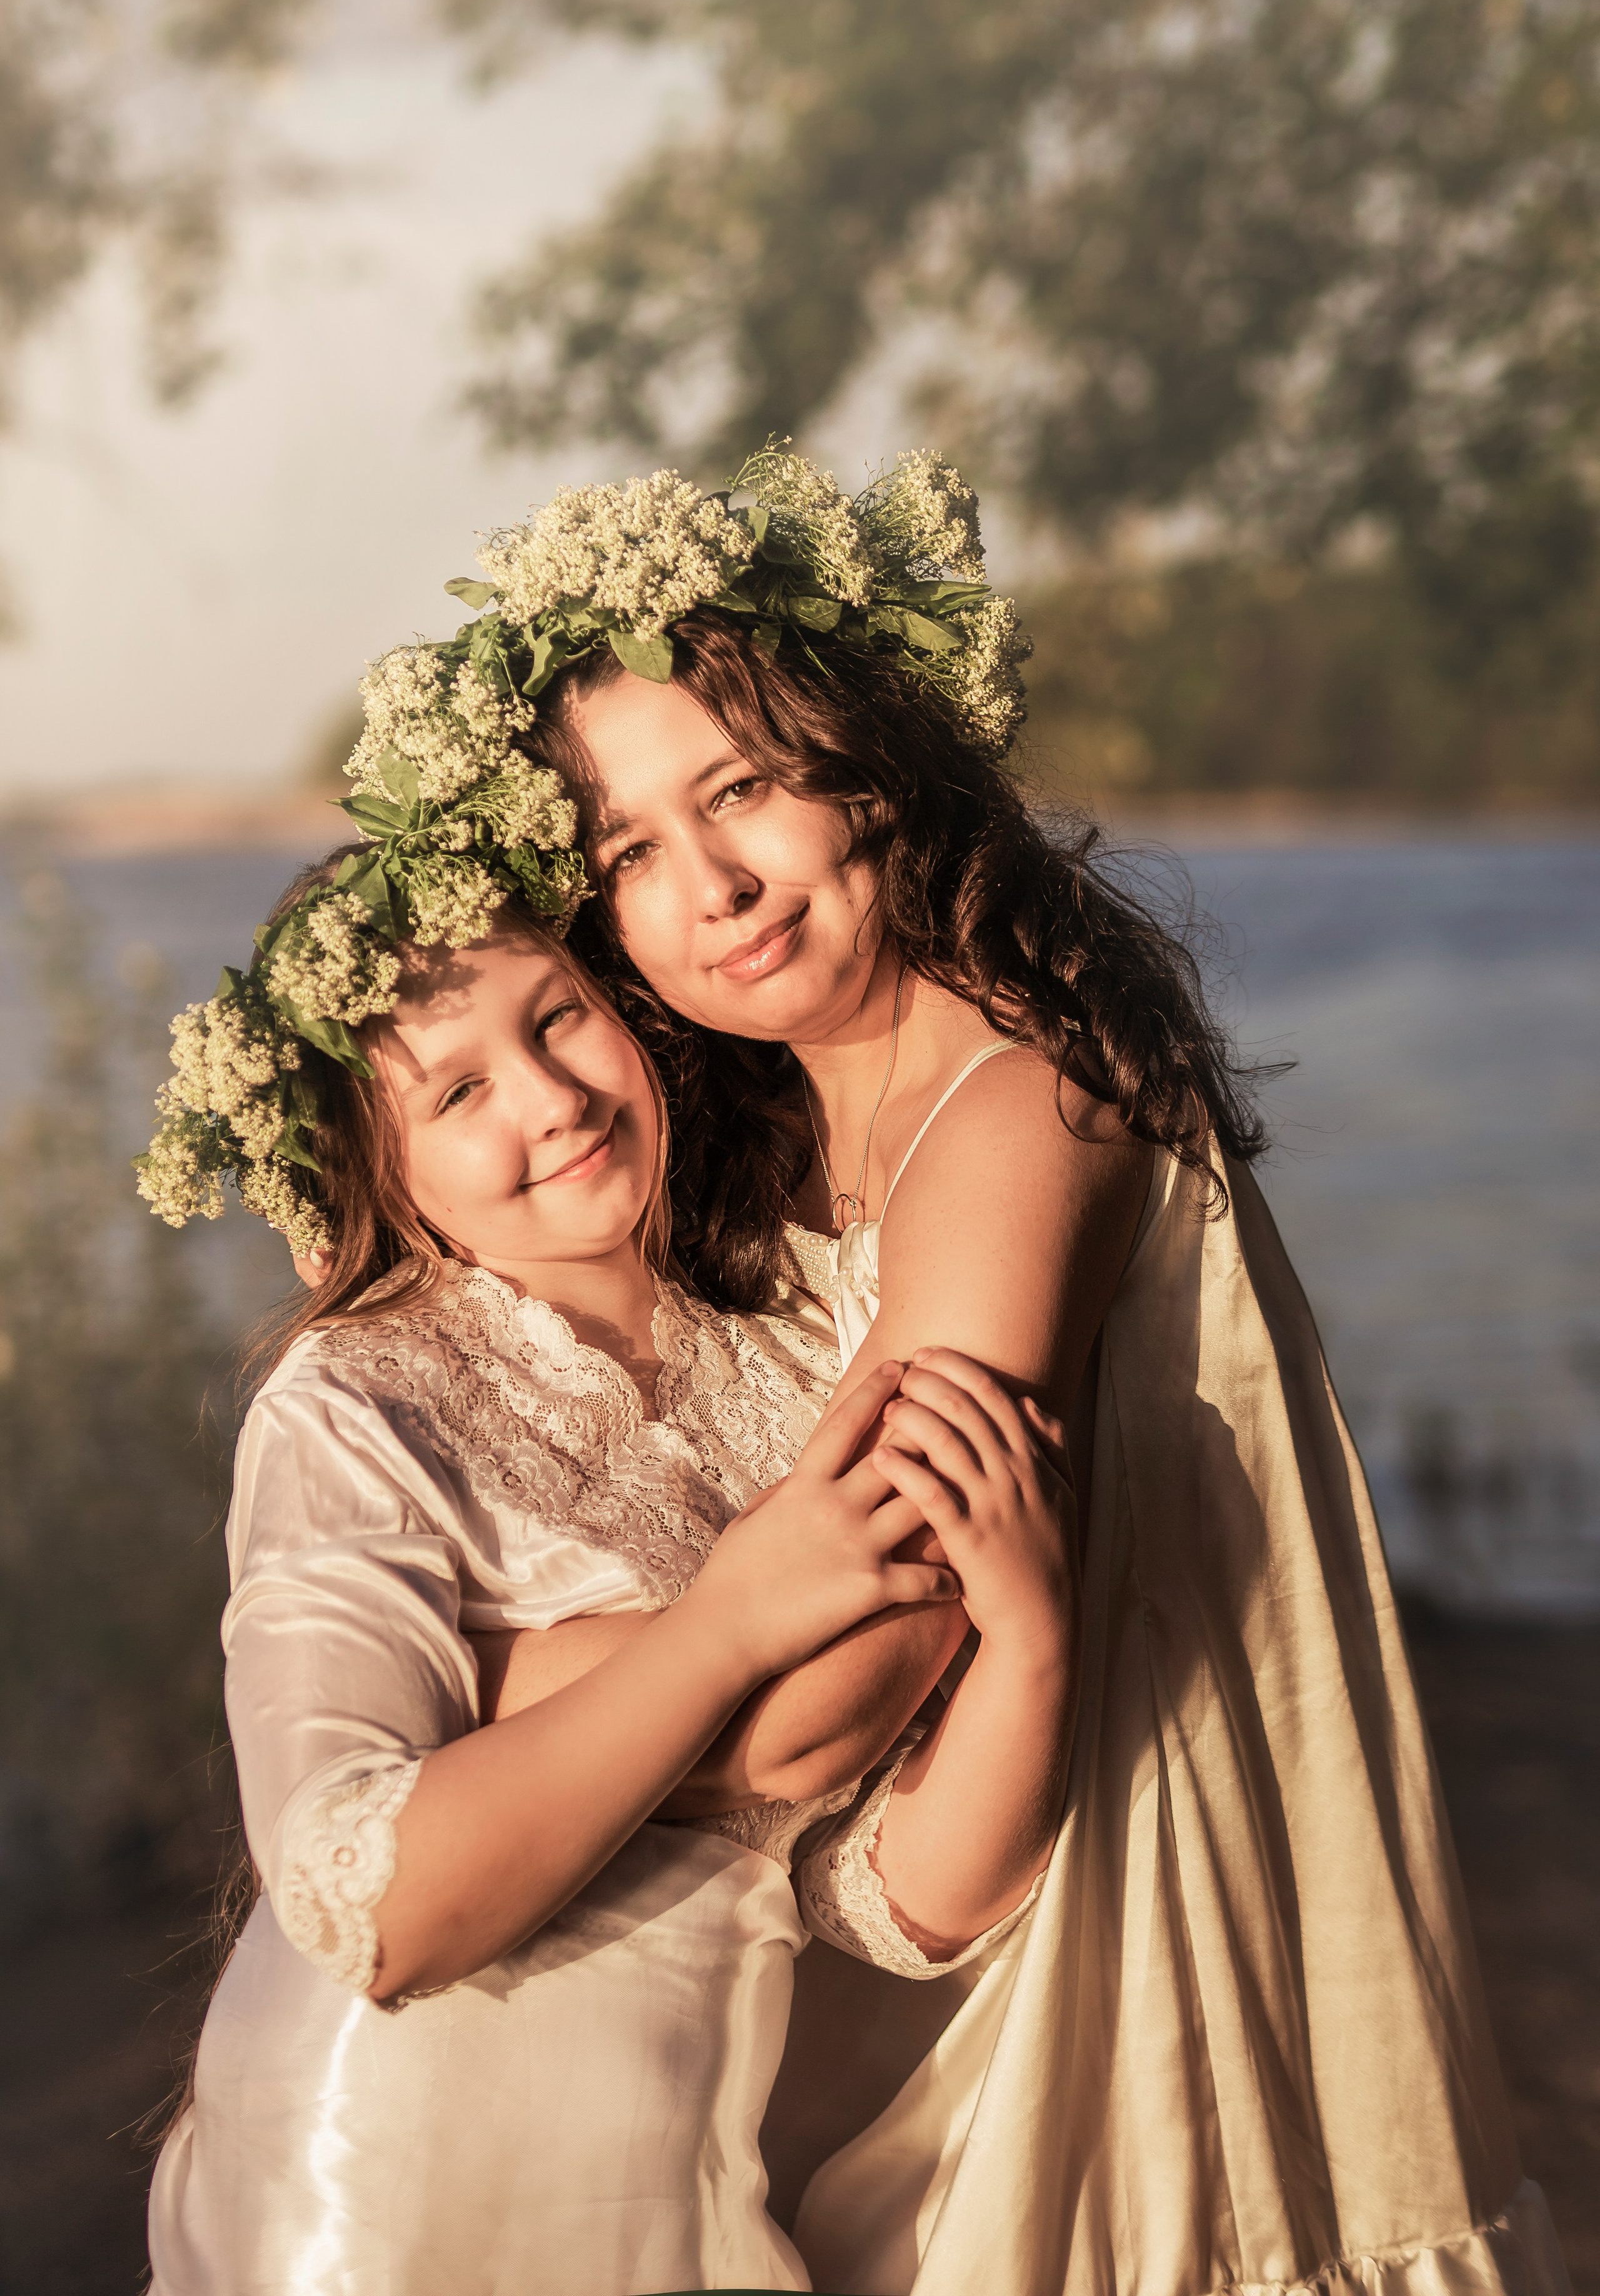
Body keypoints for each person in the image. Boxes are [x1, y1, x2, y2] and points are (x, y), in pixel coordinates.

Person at [445, 444, 1565, 2296]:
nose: (707, 883)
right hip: (926, 1928)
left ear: (874, 760)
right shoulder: (801, 1144)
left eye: (741, 787)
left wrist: (495, 1682)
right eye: (628, 850)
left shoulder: (1017, 1105)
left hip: (1104, 1968)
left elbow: (839, 1691)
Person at [137, 855, 1077, 2277]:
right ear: (378, 1171)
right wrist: (729, 1624)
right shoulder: (359, 1399)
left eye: (557, 1017)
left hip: (663, 2181)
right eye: (455, 1092)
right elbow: (360, 1900)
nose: (551, 1098)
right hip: (372, 2184)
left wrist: (1031, 1638)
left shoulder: (791, 1356)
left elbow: (885, 1902)